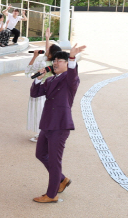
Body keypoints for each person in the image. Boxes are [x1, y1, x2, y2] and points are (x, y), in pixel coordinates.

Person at [30, 44, 86, 203]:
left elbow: (73, 73)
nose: (55, 63)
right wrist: (38, 78)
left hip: (60, 125)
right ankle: (61, 180)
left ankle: (51, 194)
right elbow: (35, 93)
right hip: (47, 123)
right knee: (40, 154)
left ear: (67, 64)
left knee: (55, 161)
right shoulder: (51, 79)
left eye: (59, 61)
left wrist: (72, 58)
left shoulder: (71, 80)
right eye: (54, 60)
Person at [25, 27, 60, 143]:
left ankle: (42, 135)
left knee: (40, 113)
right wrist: (47, 39)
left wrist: (34, 56)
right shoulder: (55, 62)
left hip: (40, 89)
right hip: (49, 90)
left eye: (48, 49)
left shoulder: (43, 62)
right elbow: (48, 52)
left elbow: (28, 70)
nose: (46, 49)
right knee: (45, 113)